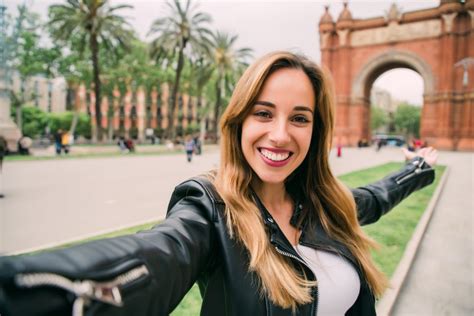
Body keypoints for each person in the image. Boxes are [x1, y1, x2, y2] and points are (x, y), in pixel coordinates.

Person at [0, 52, 437, 316]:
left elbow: (375, 198)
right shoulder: (210, 210)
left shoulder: (324, 203)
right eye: (263, 113)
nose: (280, 134)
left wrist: (416, 170)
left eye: (299, 118)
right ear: (238, 121)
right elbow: (155, 255)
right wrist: (27, 292)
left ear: (315, 131)